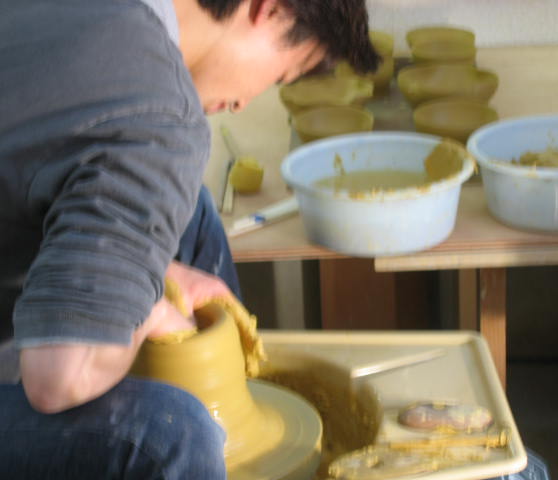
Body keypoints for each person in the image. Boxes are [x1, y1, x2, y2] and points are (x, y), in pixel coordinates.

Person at [0, 0, 379, 477]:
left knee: (190, 213)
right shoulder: (159, 113)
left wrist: (158, 272)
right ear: (269, 10)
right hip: (36, 363)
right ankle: (220, 431)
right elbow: (59, 378)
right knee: (173, 434)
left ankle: (220, 394)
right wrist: (151, 309)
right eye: (280, 76)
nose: (244, 103)